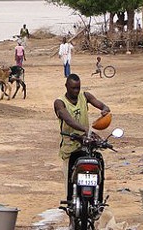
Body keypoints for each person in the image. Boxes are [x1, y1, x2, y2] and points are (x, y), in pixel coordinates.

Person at [54, 74, 110, 202]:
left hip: (86, 144)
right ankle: (71, 207)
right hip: (70, 148)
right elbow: (67, 119)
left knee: (98, 168)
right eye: (73, 88)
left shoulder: (85, 96)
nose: (76, 91)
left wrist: (105, 110)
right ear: (66, 86)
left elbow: (101, 105)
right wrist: (84, 129)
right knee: (70, 183)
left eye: (78, 88)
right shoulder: (59, 102)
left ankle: (98, 201)